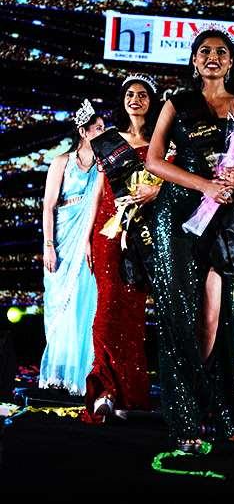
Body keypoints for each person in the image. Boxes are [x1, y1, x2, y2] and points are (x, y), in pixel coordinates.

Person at [146, 28, 234, 452]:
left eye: (221, 52)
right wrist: (203, 184)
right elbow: (153, 160)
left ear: (231, 61)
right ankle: (186, 419)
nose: (213, 57)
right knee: (178, 312)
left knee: (214, 316)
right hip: (177, 213)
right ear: (194, 60)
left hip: (222, 216)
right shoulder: (177, 102)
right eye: (205, 51)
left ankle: (214, 404)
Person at [82, 74, 161, 422]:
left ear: (152, 102)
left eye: (142, 95)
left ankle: (129, 392)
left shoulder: (162, 143)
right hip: (108, 230)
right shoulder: (109, 141)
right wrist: (87, 237)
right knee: (105, 310)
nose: (135, 99)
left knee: (131, 312)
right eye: (130, 94)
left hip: (142, 232)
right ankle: (104, 389)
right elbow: (99, 190)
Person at [40, 99, 104, 395]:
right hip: (64, 236)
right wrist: (49, 245)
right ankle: (60, 371)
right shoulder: (62, 162)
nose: (102, 132)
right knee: (62, 303)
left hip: (89, 238)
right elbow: (49, 206)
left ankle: (83, 373)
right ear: (83, 131)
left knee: (85, 301)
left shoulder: (103, 166)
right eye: (98, 128)